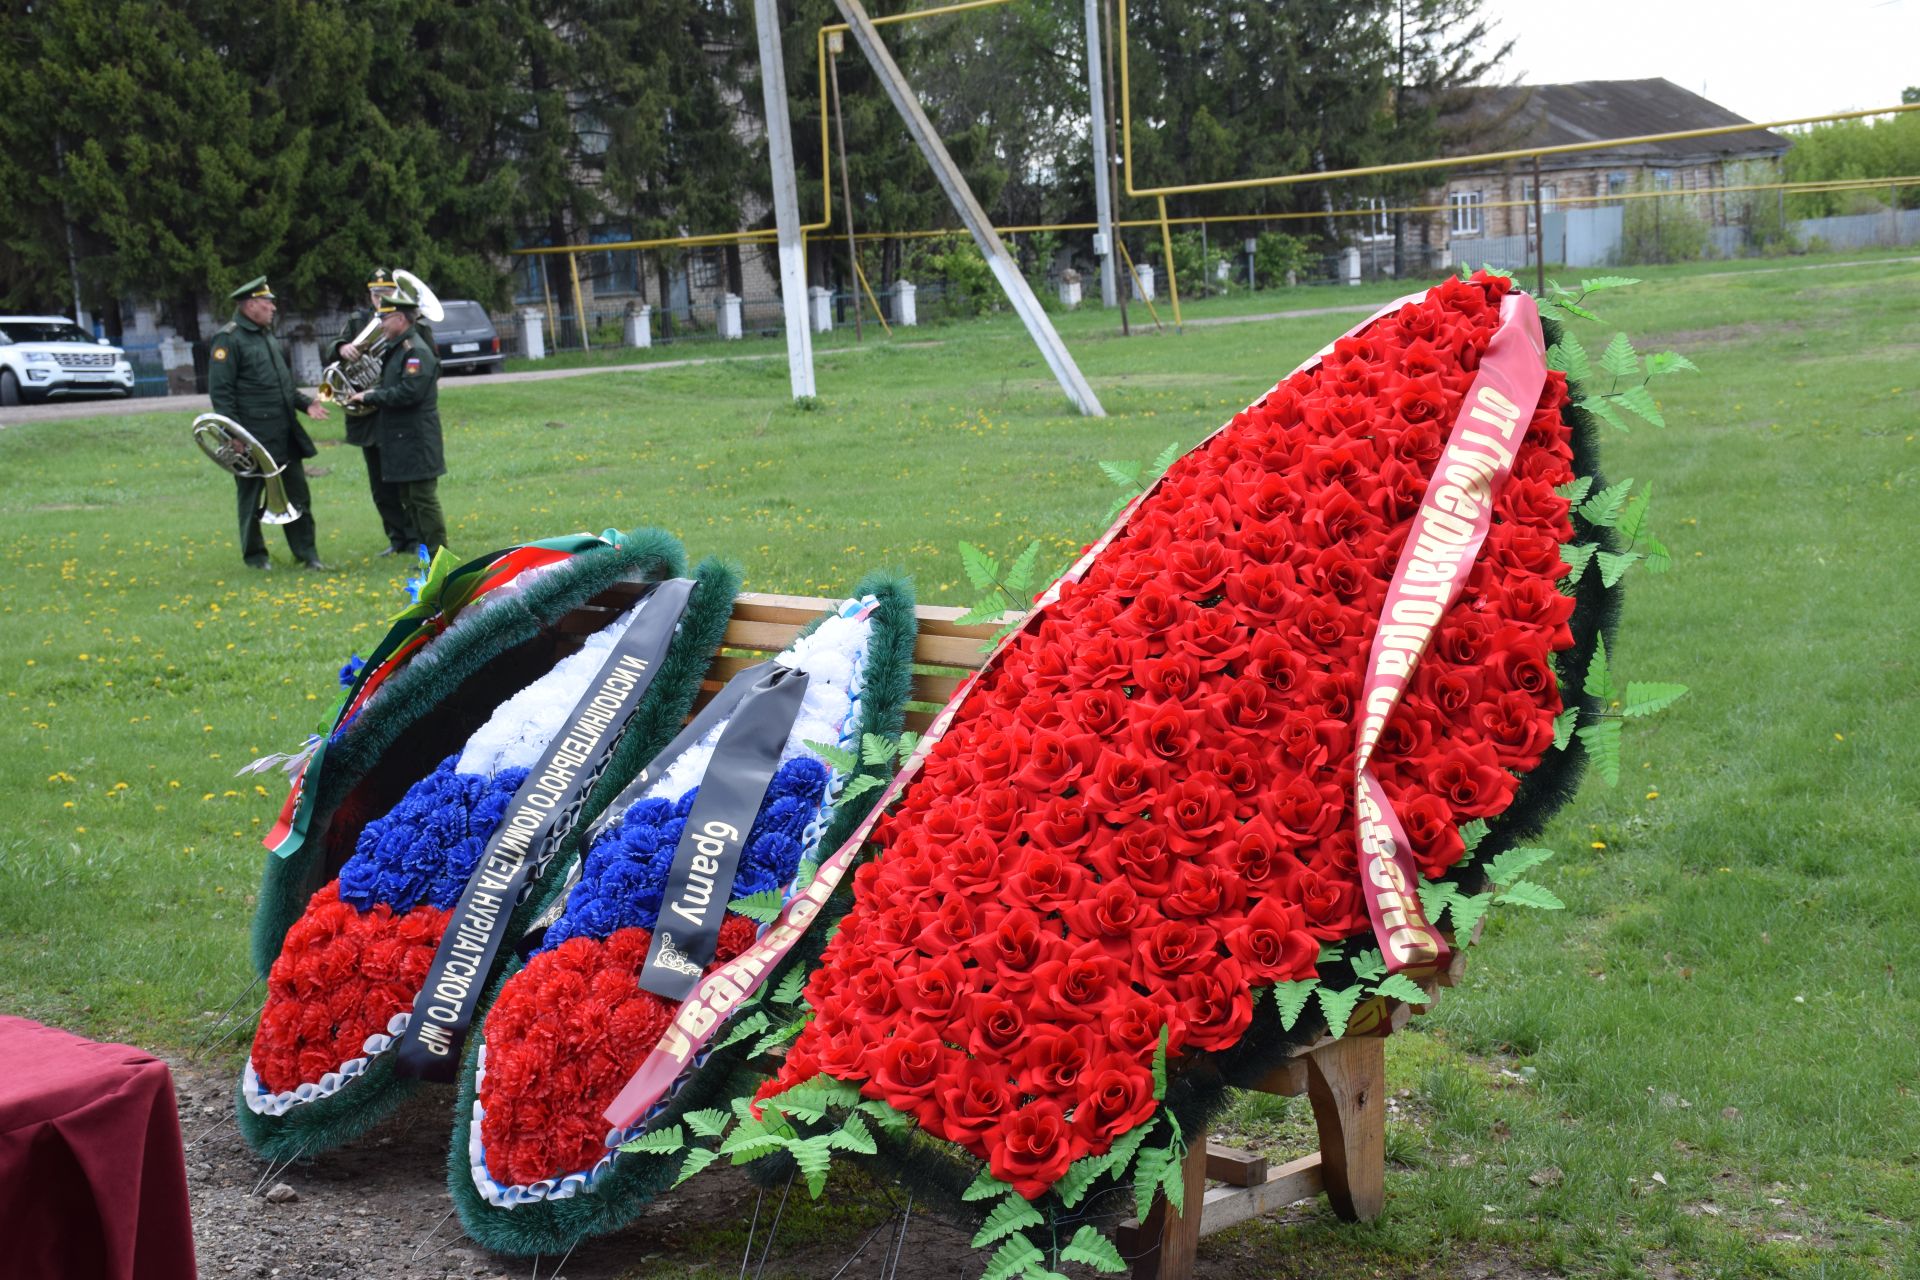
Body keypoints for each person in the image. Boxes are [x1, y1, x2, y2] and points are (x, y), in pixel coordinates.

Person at [208, 277, 332, 571]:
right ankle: (256, 558)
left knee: (298, 496)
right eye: (268, 302)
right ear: (251, 305)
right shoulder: (229, 339)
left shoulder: (266, 335)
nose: (273, 307)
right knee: (251, 498)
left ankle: (307, 555)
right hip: (251, 437)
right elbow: (221, 394)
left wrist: (306, 404)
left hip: (284, 433)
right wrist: (232, 435)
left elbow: (283, 386)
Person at [347, 279, 448, 556]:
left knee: (423, 500)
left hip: (416, 437)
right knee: (409, 499)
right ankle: (424, 554)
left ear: (401, 319)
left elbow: (409, 393)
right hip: (401, 438)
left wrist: (370, 397)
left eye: (385, 318)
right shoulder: (398, 348)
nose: (380, 323)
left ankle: (440, 556)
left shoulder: (414, 351)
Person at [328, 267, 416, 556]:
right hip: (367, 416)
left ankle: (415, 537)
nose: (380, 298)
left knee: (404, 480)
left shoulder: (405, 318)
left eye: (386, 293)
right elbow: (332, 352)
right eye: (375, 294)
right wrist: (342, 348)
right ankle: (396, 538)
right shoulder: (357, 321)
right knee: (380, 485)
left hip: (396, 412)